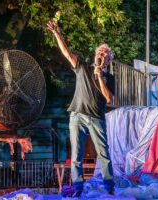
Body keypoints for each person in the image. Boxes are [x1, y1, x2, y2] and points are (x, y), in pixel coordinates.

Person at [46, 21, 115, 197]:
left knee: (103, 154)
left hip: (96, 118)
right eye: (100, 51)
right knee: (76, 155)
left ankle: (109, 189)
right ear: (95, 55)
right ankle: (77, 190)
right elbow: (67, 54)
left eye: (106, 53)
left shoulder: (109, 77)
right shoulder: (83, 67)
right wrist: (57, 34)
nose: (102, 53)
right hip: (77, 116)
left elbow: (108, 98)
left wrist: (100, 76)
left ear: (109, 60)